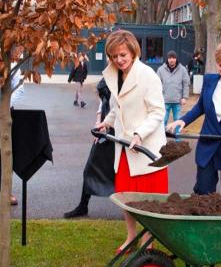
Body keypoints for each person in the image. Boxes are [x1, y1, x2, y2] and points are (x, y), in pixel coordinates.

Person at [95, 30, 168, 253]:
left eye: (123, 55)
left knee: (148, 201)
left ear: (133, 51)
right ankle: (131, 237)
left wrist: (139, 134)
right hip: (124, 148)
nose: (119, 60)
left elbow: (158, 112)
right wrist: (106, 123)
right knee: (126, 197)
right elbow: (117, 108)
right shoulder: (115, 74)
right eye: (115, 56)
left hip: (146, 150)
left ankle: (148, 241)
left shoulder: (148, 76)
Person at [167, 40, 221, 199]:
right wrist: (183, 120)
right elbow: (200, 107)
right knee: (202, 193)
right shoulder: (209, 81)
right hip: (208, 146)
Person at [63, 77, 114, 218]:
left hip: (121, 134)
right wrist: (98, 123)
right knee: (90, 169)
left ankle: (133, 211)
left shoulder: (128, 79)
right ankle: (83, 206)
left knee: (124, 175)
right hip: (105, 131)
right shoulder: (109, 76)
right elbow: (102, 104)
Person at [0, 70, 25, 203]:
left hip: (6, 114)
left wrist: (4, 106)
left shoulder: (13, 66)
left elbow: (19, 89)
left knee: (4, 154)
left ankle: (6, 192)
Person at [156, 50, 190, 127]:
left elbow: (186, 83)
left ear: (176, 59)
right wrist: (158, 97)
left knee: (177, 120)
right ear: (167, 59)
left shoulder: (182, 69)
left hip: (178, 101)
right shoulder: (160, 70)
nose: (172, 60)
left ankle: (177, 137)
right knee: (163, 119)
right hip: (164, 100)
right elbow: (156, 84)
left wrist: (184, 97)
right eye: (170, 58)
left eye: (173, 58)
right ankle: (162, 137)